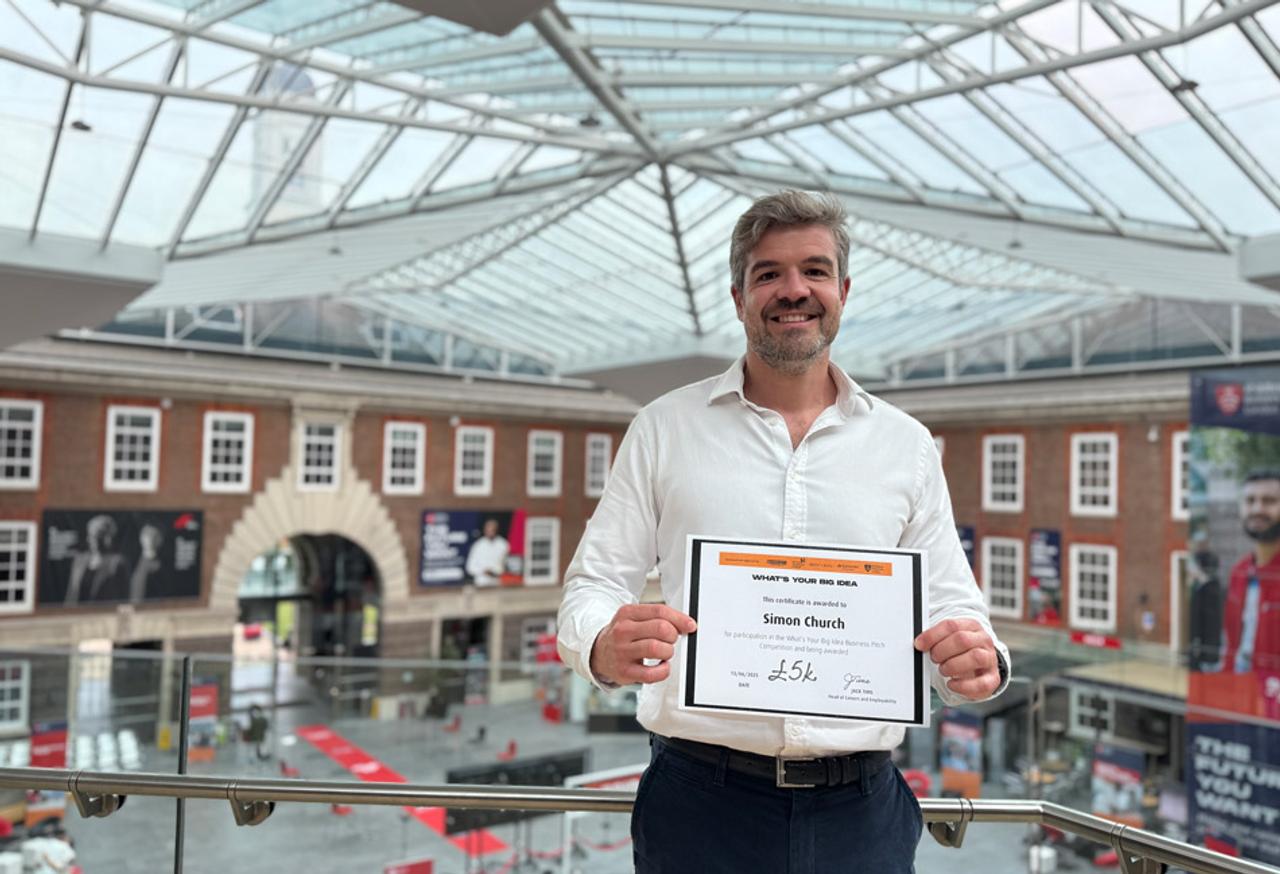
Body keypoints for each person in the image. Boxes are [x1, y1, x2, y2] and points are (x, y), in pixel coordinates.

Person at [558, 191, 1009, 873]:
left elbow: (952, 602)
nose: (793, 290)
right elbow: (593, 585)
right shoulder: (664, 428)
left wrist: (980, 659)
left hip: (862, 810)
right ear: (739, 295)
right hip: (699, 806)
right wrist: (600, 643)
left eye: (815, 271)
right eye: (769, 273)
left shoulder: (905, 445)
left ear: (844, 291)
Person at [1220, 469, 1280, 674]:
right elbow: (1231, 642)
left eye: (1269, 501)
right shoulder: (1240, 571)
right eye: (1250, 500)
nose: (1257, 509)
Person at [64, 514, 131, 605]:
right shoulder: (79, 560)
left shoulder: (117, 563)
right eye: (89, 535)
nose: (88, 539)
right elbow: (70, 595)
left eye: (94, 536)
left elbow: (124, 598)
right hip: (76, 616)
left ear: (106, 538)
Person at [465, 518, 509, 587]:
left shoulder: (503, 544)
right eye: (488, 530)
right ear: (484, 530)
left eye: (493, 530)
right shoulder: (478, 545)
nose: (490, 532)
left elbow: (507, 565)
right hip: (481, 583)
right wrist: (484, 571)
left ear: (497, 530)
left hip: (497, 583)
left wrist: (495, 571)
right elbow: (470, 567)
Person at [128, 523, 164, 603]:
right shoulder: (135, 561)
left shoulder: (159, 566)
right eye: (146, 536)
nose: (149, 539)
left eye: (153, 536)